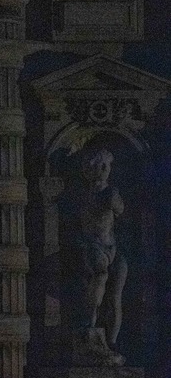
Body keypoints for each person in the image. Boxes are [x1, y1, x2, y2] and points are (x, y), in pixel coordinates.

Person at [69, 147, 127, 366]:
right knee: (100, 276)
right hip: (93, 246)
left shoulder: (110, 192)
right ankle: (90, 325)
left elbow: (120, 210)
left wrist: (113, 197)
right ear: (88, 170)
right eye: (98, 165)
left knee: (115, 297)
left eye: (106, 166)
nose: (103, 170)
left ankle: (111, 342)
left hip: (112, 247)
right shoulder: (85, 195)